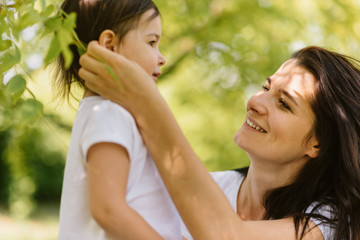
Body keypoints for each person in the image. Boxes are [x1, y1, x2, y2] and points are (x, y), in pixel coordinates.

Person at [78, 43, 360, 240]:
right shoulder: (211, 190)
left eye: (284, 104)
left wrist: (148, 105)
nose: (255, 102)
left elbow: (227, 235)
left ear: (318, 143)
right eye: (265, 87)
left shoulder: (329, 223)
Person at [56, 0, 181, 239]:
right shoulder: (108, 113)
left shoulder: (108, 113)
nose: (162, 58)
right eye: (152, 42)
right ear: (109, 45)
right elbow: (108, 210)